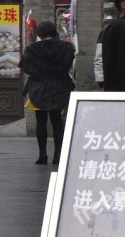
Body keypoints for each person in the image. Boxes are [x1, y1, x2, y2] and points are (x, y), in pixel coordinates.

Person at [20, 21, 76, 165]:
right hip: (59, 87)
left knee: (41, 121)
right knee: (57, 121)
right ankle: (58, 154)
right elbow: (68, 65)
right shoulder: (65, 49)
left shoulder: (32, 50)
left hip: (39, 88)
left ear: (39, 34)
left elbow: (26, 66)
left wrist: (38, 72)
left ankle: (42, 154)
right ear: (54, 32)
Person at [93, 0, 125, 89]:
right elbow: (99, 58)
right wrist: (102, 83)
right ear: (124, 5)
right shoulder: (109, 29)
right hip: (116, 84)